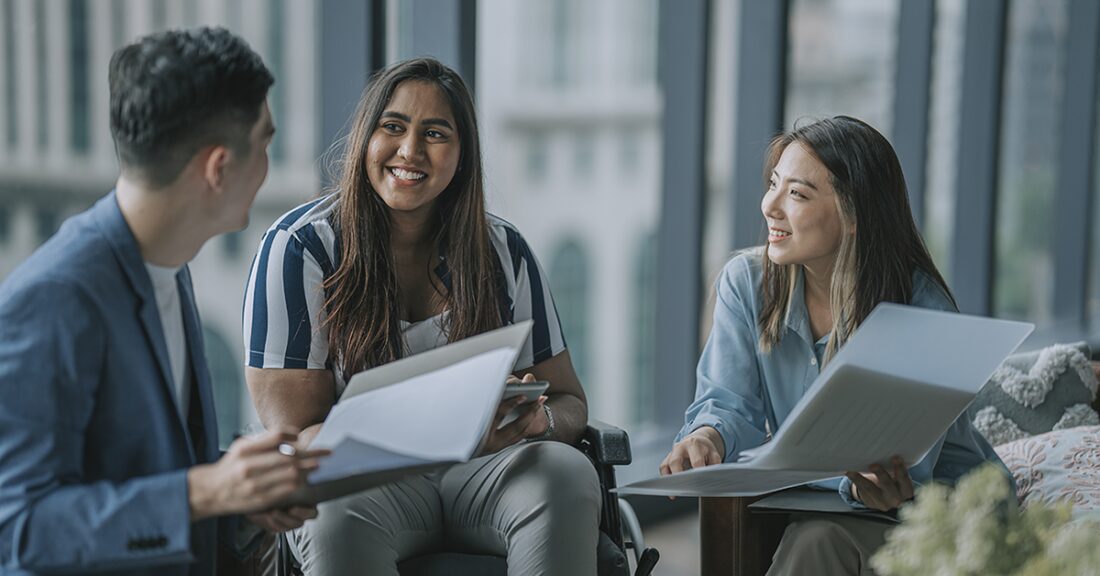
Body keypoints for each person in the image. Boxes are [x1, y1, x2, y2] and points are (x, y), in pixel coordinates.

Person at [242, 57, 600, 575]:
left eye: (435, 133)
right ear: (366, 137)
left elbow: (570, 401)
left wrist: (536, 421)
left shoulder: (504, 250)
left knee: (564, 476)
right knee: (328, 512)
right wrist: (427, 430)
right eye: (393, 127)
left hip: (483, 471)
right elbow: (299, 439)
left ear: (461, 156)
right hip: (367, 483)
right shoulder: (300, 250)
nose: (410, 151)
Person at [0, 28, 324, 575]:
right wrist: (207, 490)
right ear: (219, 168)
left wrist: (245, 497)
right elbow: (19, 529)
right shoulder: (54, 297)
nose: (268, 164)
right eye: (265, 145)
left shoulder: (171, 268)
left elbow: (158, 475)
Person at [659, 116, 1013, 575]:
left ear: (853, 216)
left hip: (943, 511)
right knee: (814, 538)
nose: (770, 206)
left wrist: (848, 482)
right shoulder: (745, 284)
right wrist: (708, 436)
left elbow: (910, 474)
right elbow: (729, 404)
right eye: (773, 184)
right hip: (827, 510)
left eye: (797, 194)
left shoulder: (921, 309)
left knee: (815, 542)